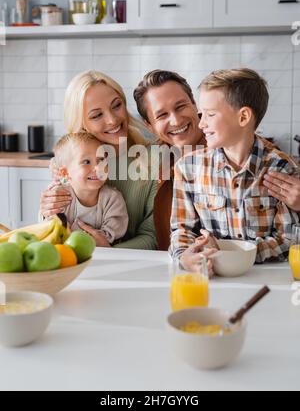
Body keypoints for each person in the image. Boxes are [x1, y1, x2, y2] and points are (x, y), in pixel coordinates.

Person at [170, 68, 299, 271]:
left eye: (210, 114)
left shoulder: (280, 168)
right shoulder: (188, 168)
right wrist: (184, 257)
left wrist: (229, 253)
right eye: (201, 114)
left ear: (243, 117)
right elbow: (182, 231)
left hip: (261, 279)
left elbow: (288, 240)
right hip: (210, 275)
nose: (201, 123)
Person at [40, 70, 157, 250]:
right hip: (74, 263)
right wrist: (45, 211)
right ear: (81, 124)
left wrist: (107, 251)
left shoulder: (155, 159)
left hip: (130, 264)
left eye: (116, 105)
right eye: (96, 115)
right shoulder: (71, 164)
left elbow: (153, 237)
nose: (112, 120)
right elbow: (50, 223)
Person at [134, 70, 206, 251]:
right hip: (175, 266)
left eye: (181, 106)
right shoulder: (153, 160)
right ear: (149, 126)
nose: (175, 120)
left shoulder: (227, 144)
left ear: (195, 104)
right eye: (162, 115)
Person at [53, 132, 128, 247]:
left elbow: (112, 235)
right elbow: (49, 225)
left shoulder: (112, 199)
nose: (98, 168)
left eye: (101, 160)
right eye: (86, 162)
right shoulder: (59, 196)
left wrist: (73, 235)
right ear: (66, 173)